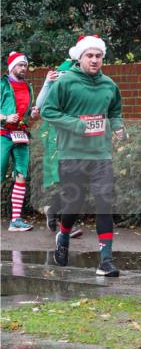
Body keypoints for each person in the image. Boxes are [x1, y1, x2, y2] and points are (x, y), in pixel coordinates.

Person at [41, 35, 125, 276]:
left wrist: (118, 126)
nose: (94, 60)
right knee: (73, 204)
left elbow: (115, 111)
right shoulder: (66, 82)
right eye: (90, 55)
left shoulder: (109, 85)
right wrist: (77, 125)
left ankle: (106, 261)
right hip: (72, 154)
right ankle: (63, 233)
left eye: (98, 56)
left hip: (101, 154)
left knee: (104, 204)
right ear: (80, 57)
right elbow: (48, 111)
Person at [34, 58, 83, 238]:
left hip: (78, 140)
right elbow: (39, 106)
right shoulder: (56, 88)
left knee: (77, 182)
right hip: (58, 140)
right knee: (70, 181)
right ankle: (65, 224)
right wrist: (47, 83)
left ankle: (54, 211)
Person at [1, 51, 35, 231]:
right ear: (12, 67)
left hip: (21, 135)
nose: (24, 68)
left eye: (25, 65)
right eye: (20, 65)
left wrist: (33, 113)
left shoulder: (28, 87)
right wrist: (5, 117)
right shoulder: (2, 85)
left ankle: (16, 220)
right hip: (2, 134)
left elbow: (27, 112)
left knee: (21, 175)